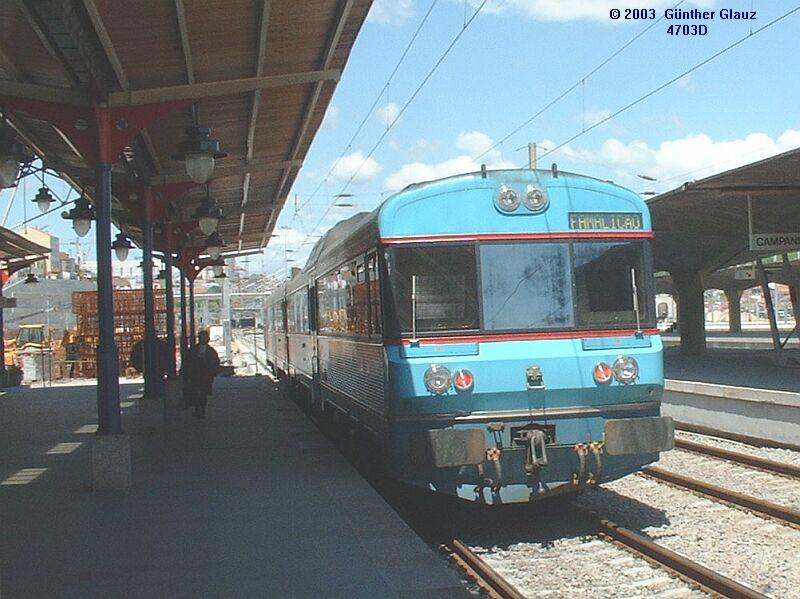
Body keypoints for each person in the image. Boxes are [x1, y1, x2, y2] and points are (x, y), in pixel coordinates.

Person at [183, 330, 220, 419]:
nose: (204, 340)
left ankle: (201, 410)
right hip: (195, 375)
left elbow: (215, 363)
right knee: (197, 393)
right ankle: (198, 409)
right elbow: (188, 362)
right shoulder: (195, 350)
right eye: (202, 338)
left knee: (203, 394)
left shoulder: (209, 351)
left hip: (205, 376)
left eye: (205, 338)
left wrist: (212, 372)